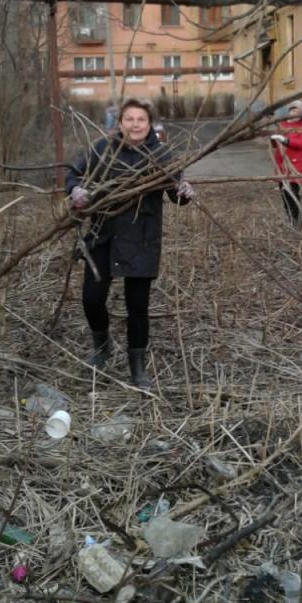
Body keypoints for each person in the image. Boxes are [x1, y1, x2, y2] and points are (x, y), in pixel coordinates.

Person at [65, 98, 194, 390]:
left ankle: (137, 366)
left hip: (142, 237)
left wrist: (184, 190)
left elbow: (176, 194)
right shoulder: (103, 149)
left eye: (141, 120)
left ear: (150, 125)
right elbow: (73, 174)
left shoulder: (160, 155)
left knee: (138, 306)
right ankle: (102, 346)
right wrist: (76, 190)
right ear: (120, 122)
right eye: (129, 119)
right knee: (91, 298)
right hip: (103, 233)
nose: (135, 125)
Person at [270, 100, 302, 225]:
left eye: (297, 111)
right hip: (282, 165)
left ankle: (294, 218)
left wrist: (285, 140)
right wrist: (273, 139)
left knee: (292, 192)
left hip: (296, 164)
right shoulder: (283, 125)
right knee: (284, 193)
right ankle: (289, 216)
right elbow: (276, 144)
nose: (294, 114)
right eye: (292, 110)